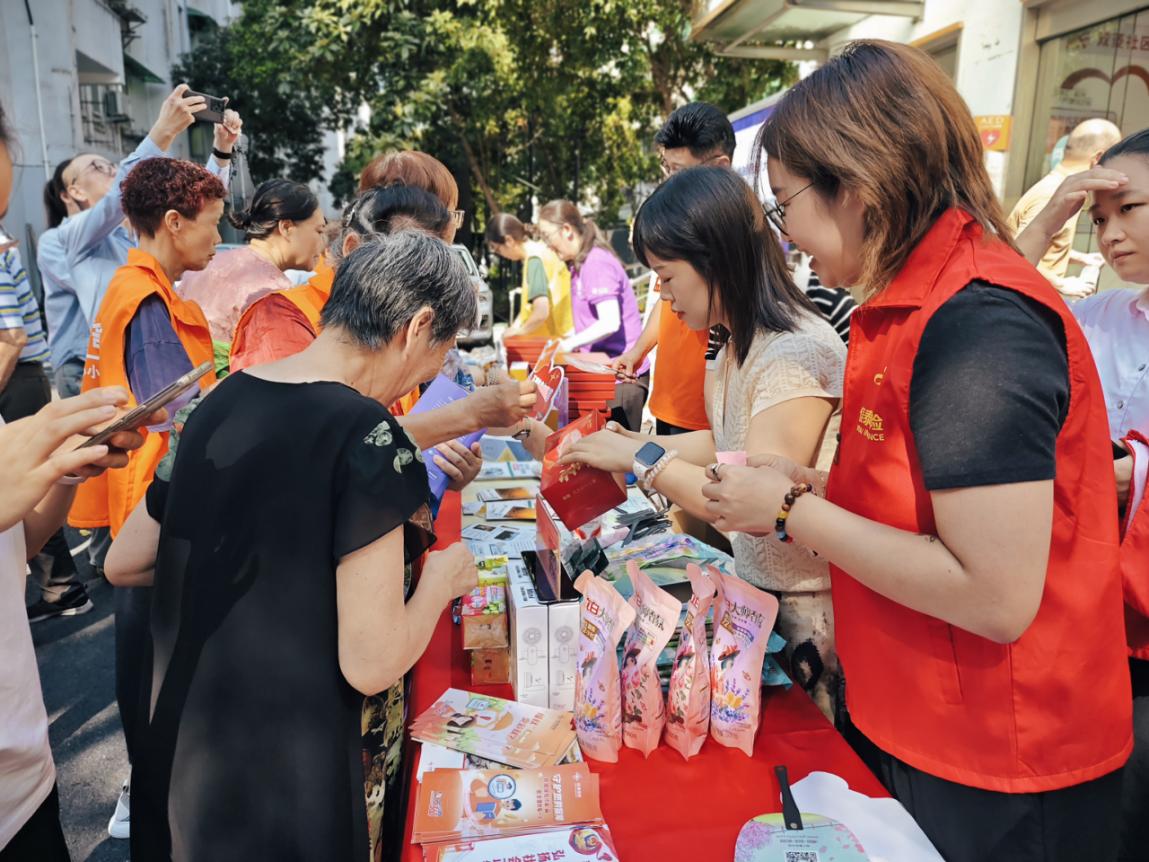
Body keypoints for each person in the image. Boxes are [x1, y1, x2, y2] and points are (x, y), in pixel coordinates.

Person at [701, 40, 1130, 861]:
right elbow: (920, 494)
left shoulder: (976, 322)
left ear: (855, 187)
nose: (788, 239)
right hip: (919, 718)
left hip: (1003, 758)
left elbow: (993, 593)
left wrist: (789, 510)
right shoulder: (911, 302)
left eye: (785, 205)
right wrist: (813, 481)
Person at [105, 233, 480, 862]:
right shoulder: (366, 433)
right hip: (293, 784)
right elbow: (372, 660)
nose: (432, 373)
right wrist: (443, 579)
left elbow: (127, 561)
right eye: (441, 353)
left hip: (190, 765)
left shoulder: (217, 403)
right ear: (417, 328)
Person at [561, 166, 845, 717]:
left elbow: (747, 498)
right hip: (762, 591)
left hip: (807, 611)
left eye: (666, 276)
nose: (662, 296)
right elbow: (728, 442)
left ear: (715, 260)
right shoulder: (733, 340)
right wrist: (633, 442)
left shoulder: (793, 352)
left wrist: (641, 456)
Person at [0, 97, 163, 862]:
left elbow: (20, 536)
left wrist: (65, 474)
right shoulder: (76, 242)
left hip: (27, 777)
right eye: (99, 166)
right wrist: (160, 133)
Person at [68, 157, 226, 842]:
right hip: (155, 495)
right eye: (212, 224)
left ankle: (148, 784)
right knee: (153, 653)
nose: (218, 239)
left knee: (140, 646)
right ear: (173, 222)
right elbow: (183, 416)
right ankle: (152, 793)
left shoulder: (130, 287)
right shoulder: (149, 303)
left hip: (132, 490)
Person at [1020, 128, 1149, 862]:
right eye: (1098, 219)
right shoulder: (1100, 318)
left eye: (1129, 209)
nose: (1110, 234)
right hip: (1094, 608)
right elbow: (989, 309)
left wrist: (1131, 472)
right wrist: (1045, 222)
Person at [611, 103, 733, 435]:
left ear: (720, 167)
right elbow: (662, 304)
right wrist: (637, 352)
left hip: (707, 414)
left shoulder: (735, 236)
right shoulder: (676, 228)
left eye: (678, 171)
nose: (668, 182)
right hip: (669, 401)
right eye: (667, 168)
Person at [178, 178, 325, 365]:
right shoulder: (273, 292)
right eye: (319, 231)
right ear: (286, 227)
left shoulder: (205, 265)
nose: (323, 242)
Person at [537, 199, 647, 430]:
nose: (548, 246)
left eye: (547, 237)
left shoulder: (596, 262)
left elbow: (609, 322)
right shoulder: (580, 263)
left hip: (620, 379)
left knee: (615, 450)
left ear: (566, 230)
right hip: (605, 376)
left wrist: (567, 344)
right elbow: (589, 320)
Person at [1006, 117, 1121, 298]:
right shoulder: (1053, 194)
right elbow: (1016, 251)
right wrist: (1062, 284)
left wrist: (1080, 258)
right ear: (1098, 158)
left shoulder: (1061, 187)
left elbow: (1044, 244)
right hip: (1027, 300)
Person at [486, 212, 573, 339]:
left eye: (498, 249)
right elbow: (529, 310)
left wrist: (518, 332)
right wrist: (515, 327)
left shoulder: (534, 261)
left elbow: (541, 311)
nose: (501, 255)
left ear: (509, 240)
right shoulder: (542, 251)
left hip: (554, 340)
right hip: (564, 336)